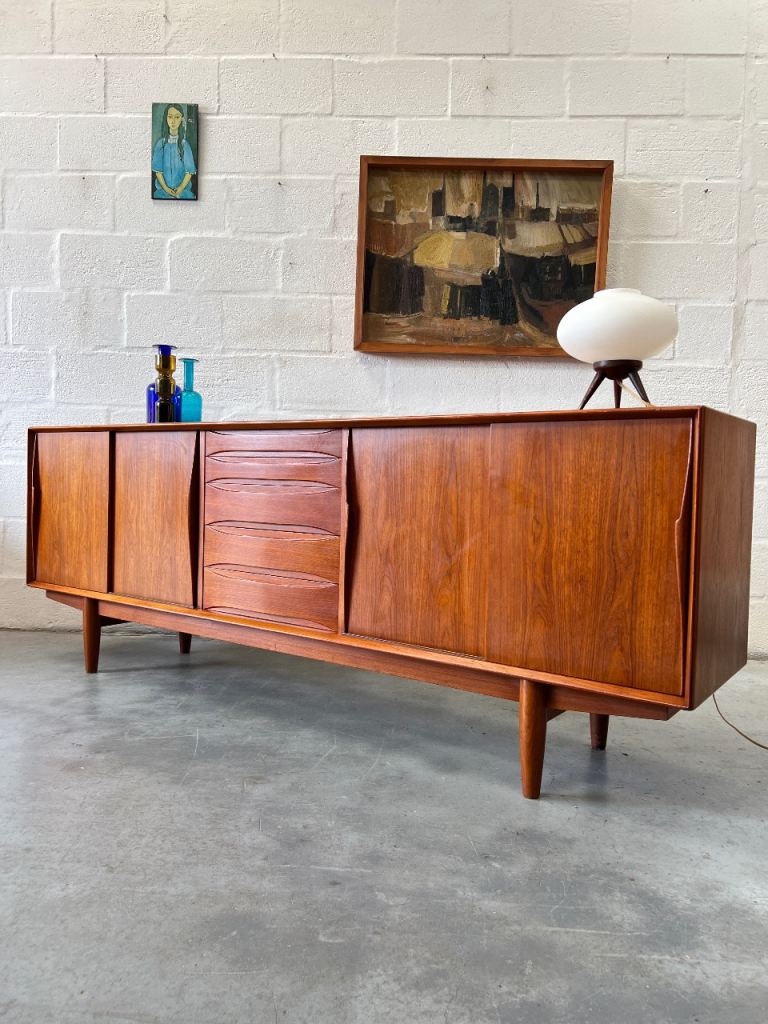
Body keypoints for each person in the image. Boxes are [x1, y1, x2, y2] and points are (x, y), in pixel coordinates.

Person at [152, 104, 196, 200]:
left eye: (177, 117)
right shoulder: (161, 144)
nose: (173, 121)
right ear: (166, 118)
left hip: (183, 191)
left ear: (181, 119)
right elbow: (158, 172)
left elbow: (189, 172)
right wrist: (166, 189)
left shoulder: (185, 145)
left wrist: (180, 189)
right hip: (163, 191)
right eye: (170, 116)